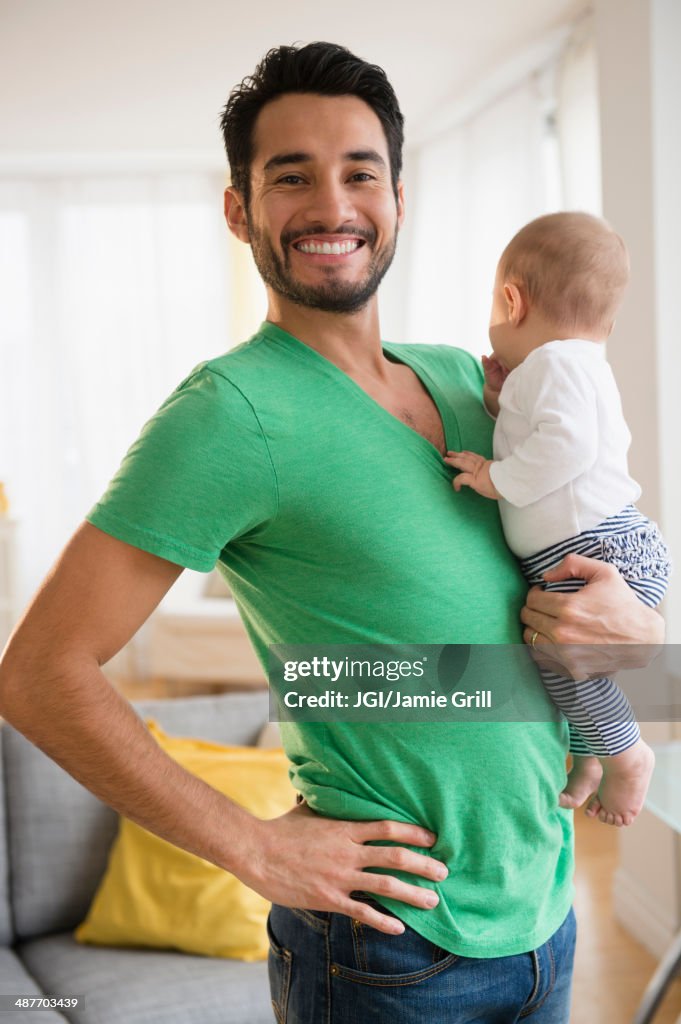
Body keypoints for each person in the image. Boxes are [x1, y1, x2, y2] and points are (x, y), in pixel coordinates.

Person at [0, 42, 666, 1024]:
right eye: (290, 176)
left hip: (543, 908)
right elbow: (39, 671)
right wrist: (253, 845)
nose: (333, 204)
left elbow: (585, 577)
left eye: (359, 171)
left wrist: (644, 634)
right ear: (240, 209)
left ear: (399, 196)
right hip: (387, 953)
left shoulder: (476, 381)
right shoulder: (228, 415)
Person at [444, 212, 672, 830]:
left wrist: (493, 477)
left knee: (562, 658)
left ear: (512, 301)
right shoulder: (574, 365)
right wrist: (501, 402)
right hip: (612, 543)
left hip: (596, 549)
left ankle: (626, 755)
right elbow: (549, 435)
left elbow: (564, 447)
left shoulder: (552, 365)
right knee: (564, 663)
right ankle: (593, 754)